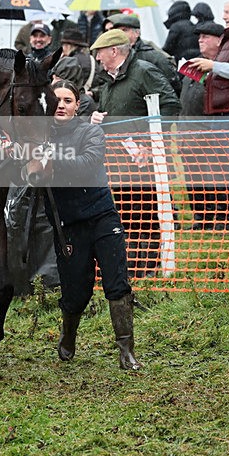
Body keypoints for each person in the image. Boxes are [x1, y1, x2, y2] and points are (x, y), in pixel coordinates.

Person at [45, 79, 140, 370]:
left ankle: (126, 350)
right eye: (57, 100)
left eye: (68, 100)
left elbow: (88, 163)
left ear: (78, 105)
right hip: (68, 223)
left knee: (116, 281)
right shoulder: (37, 138)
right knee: (76, 291)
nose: (61, 105)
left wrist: (50, 160)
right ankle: (68, 334)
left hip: (101, 216)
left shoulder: (91, 131)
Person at [90, 29, 180, 278]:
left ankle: (150, 267)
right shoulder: (109, 81)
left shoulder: (143, 71)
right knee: (126, 213)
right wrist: (98, 116)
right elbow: (112, 114)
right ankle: (133, 266)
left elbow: (171, 104)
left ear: (114, 51)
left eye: (99, 53)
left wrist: (152, 144)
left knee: (148, 212)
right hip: (119, 161)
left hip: (144, 159)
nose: (97, 58)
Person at [189, 0, 229, 230]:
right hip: (223, 115)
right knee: (227, 170)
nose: (223, 16)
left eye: (228, 11)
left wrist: (214, 67)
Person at [179, 21, 229, 230]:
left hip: (209, 134)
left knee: (215, 178)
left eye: (206, 36)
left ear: (220, 40)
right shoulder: (194, 66)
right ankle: (202, 217)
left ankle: (221, 219)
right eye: (199, 37)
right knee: (193, 179)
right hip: (187, 134)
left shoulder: (224, 67)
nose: (200, 40)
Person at [108, 12, 181, 95]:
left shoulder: (152, 56)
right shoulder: (115, 55)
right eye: (118, 31)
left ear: (137, 33)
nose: (121, 34)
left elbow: (172, 85)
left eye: (125, 30)